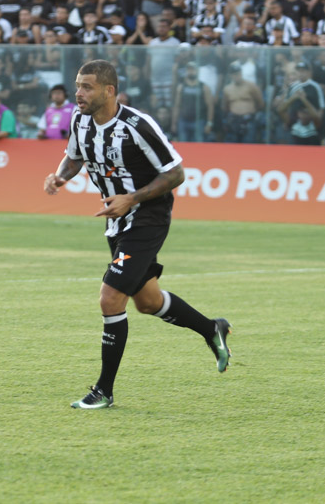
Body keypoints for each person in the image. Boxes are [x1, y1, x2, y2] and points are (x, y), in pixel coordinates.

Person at [43, 59, 232, 410]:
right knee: (147, 302)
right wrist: (59, 177)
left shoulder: (137, 125)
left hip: (148, 215)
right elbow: (74, 157)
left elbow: (176, 173)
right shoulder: (79, 120)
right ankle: (212, 329)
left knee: (110, 297)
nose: (78, 93)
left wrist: (132, 198)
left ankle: (104, 390)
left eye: (86, 87)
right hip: (117, 220)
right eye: (77, 86)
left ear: (109, 90)